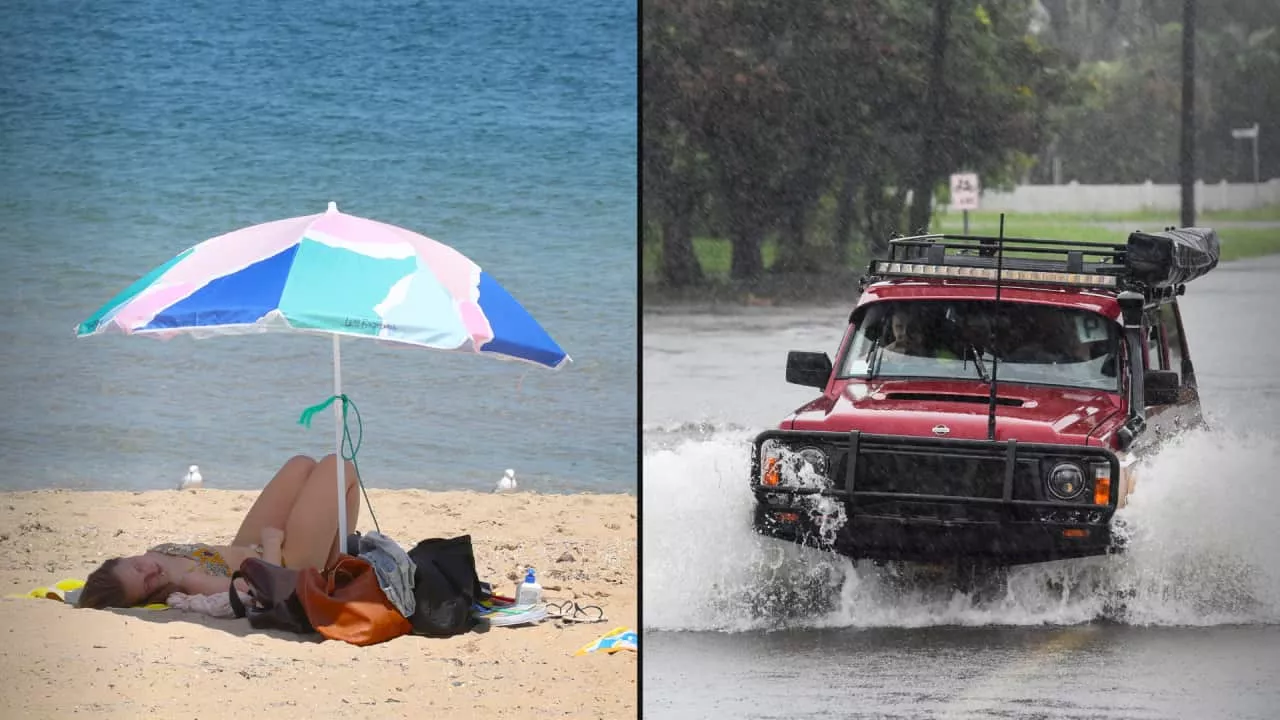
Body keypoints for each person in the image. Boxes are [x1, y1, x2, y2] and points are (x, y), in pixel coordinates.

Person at [77, 453, 360, 610]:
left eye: (138, 567)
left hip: (249, 547)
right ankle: (334, 564)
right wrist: (272, 545)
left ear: (124, 559)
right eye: (147, 585)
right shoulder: (191, 582)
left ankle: (332, 552)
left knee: (301, 465)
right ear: (146, 597)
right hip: (282, 565)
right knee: (339, 467)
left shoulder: (157, 554)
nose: (151, 572)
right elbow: (264, 591)